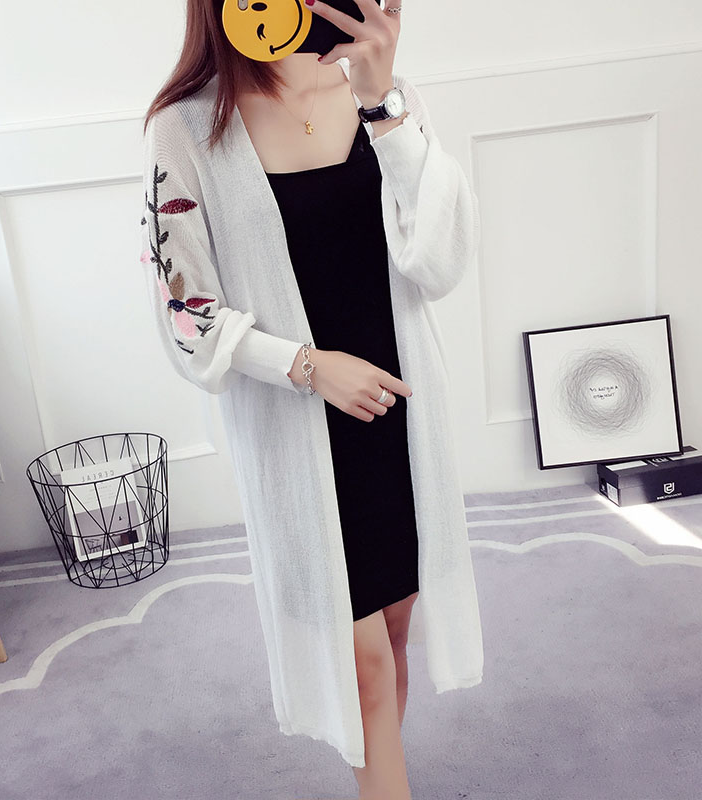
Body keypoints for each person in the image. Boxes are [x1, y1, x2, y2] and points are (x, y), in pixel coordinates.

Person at [140, 2, 484, 798]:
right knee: (360, 663)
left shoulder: (386, 95)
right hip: (298, 434)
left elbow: (439, 262)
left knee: (392, 636)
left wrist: (383, 103)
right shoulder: (184, 128)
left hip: (399, 420)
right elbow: (186, 315)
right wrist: (306, 365)